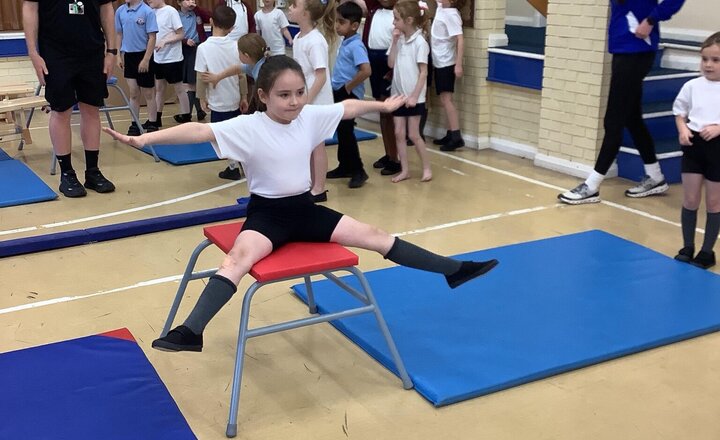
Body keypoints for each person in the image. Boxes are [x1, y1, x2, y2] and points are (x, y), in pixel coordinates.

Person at [102, 55, 499, 352]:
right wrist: (145, 139)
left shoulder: (308, 116)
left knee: (375, 235)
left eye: (298, 93)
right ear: (262, 96)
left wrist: (383, 106)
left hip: (306, 211)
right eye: (284, 95)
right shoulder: (247, 127)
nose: (294, 102)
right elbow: (198, 130)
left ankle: (453, 270)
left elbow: (347, 108)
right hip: (267, 215)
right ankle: (191, 332)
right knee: (236, 260)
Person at [558, 0, 685, 204]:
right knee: (632, 119)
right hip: (622, 48)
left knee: (613, 121)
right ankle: (655, 176)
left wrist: (651, 19)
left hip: (636, 50)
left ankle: (591, 186)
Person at [23, 0, 117, 198]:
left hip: (92, 50)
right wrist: (33, 52)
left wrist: (111, 51)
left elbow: (107, 8)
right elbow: (30, 8)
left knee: (91, 109)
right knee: (61, 110)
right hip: (55, 53)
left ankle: (92, 171)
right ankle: (67, 173)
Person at [672, 31, 720, 269]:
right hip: (694, 146)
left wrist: (719, 128)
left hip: (717, 149)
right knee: (690, 198)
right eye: (705, 59)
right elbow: (679, 111)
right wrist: (682, 128)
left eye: (716, 60)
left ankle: (706, 251)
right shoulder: (692, 86)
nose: (709, 65)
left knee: (714, 203)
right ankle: (688, 245)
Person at [195, 13, 257, 181]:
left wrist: (201, 99)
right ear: (232, 28)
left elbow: (201, 77)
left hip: (217, 101)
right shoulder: (236, 46)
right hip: (235, 98)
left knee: (223, 137)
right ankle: (242, 163)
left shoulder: (203, 48)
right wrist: (244, 96)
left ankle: (233, 167)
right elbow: (242, 75)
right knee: (237, 133)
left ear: (211, 22)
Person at [289, 0, 337, 202]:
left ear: (306, 14)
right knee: (308, 145)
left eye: (294, 6)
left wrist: (305, 100)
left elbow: (321, 76)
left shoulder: (316, 40)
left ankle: (319, 188)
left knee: (317, 146)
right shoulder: (299, 37)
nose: (290, 9)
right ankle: (309, 184)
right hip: (306, 100)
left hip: (317, 102)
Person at [327, 1, 372, 189]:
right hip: (339, 91)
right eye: (337, 21)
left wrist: (347, 87)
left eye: (342, 22)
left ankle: (359, 170)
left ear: (354, 26)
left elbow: (366, 70)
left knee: (347, 132)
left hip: (349, 94)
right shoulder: (346, 41)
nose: (337, 26)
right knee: (342, 132)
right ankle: (345, 166)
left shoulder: (356, 46)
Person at [387, 0, 432, 183]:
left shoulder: (420, 42)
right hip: (398, 95)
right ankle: (404, 169)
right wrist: (395, 40)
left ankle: (427, 167)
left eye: (396, 19)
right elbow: (391, 63)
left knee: (413, 134)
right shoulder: (400, 40)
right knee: (398, 133)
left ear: (409, 20)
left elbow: (423, 72)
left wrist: (414, 96)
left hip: (414, 97)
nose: (393, 23)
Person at [363, 0, 401, 176]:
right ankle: (389, 153)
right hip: (373, 59)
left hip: (388, 62)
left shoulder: (398, 13)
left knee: (389, 111)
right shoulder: (374, 9)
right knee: (382, 111)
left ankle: (396, 158)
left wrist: (393, 69)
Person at [116, 0, 160, 136]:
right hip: (129, 56)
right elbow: (119, 34)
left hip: (144, 54)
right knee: (133, 92)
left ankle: (153, 122)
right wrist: (118, 55)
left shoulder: (147, 11)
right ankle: (134, 123)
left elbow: (152, 37)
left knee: (148, 92)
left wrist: (146, 59)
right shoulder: (120, 11)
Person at [147, 0, 191, 126]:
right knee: (159, 88)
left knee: (179, 88)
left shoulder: (171, 11)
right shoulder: (151, 12)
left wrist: (165, 41)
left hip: (173, 58)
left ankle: (186, 116)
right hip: (158, 57)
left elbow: (181, 34)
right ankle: (157, 118)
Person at [430, 0, 465, 151]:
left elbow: (460, 39)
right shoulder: (441, 8)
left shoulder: (451, 15)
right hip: (439, 61)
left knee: (446, 99)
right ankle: (450, 132)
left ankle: (456, 136)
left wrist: (458, 64)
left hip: (446, 62)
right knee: (444, 99)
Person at [178, 0, 211, 122]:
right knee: (188, 82)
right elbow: (172, 32)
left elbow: (210, 17)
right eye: (187, 0)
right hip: (184, 49)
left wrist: (197, 8)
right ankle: (196, 111)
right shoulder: (176, 15)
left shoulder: (197, 13)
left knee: (193, 81)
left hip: (197, 47)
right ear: (179, 3)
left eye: (193, 0)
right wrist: (184, 41)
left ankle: (189, 113)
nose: (191, 2)